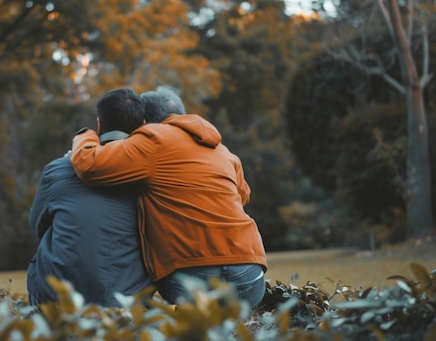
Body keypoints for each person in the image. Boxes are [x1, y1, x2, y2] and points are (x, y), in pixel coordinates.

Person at [71, 86, 268, 309]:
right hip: (250, 273)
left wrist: (86, 134)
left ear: (143, 121)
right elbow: (242, 196)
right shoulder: (223, 150)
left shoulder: (153, 139)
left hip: (193, 272)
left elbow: (90, 165)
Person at [27, 88, 152, 307]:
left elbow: (38, 226)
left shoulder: (56, 170)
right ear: (143, 125)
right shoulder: (152, 175)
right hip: (127, 300)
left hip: (58, 298)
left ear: (99, 124)